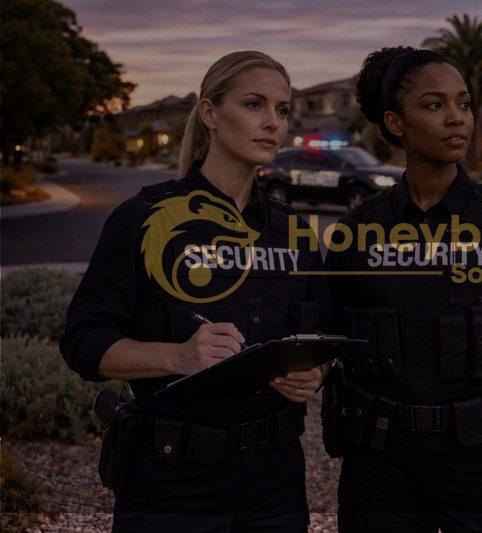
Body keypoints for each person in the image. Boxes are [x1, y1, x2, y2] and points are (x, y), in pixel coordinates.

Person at [60, 51, 330, 531]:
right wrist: (177, 356)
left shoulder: (295, 233)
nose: (272, 122)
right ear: (209, 113)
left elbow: (322, 337)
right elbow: (83, 342)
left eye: (283, 109)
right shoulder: (144, 219)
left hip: (275, 480)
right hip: (172, 480)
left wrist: (314, 374)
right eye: (254, 104)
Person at [323, 46, 482, 532]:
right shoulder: (356, 231)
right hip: (382, 467)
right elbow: (324, 341)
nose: (456, 119)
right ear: (395, 122)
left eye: (463, 103)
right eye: (434, 104)